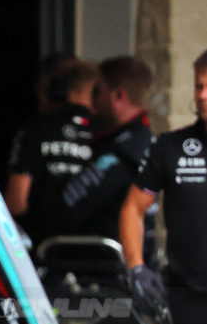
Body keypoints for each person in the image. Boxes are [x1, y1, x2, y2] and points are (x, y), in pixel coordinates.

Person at [119, 49, 207, 324]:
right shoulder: (172, 147)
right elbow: (134, 208)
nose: (203, 95)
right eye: (199, 86)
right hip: (189, 286)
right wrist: (136, 266)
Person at [5, 58, 99, 245]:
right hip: (100, 250)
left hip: (47, 250)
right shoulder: (108, 134)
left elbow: (15, 203)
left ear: (57, 90)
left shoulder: (34, 130)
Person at [59, 57, 154, 240]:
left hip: (100, 261)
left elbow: (67, 208)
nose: (91, 103)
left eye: (97, 92)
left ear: (118, 96)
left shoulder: (125, 151)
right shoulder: (140, 140)